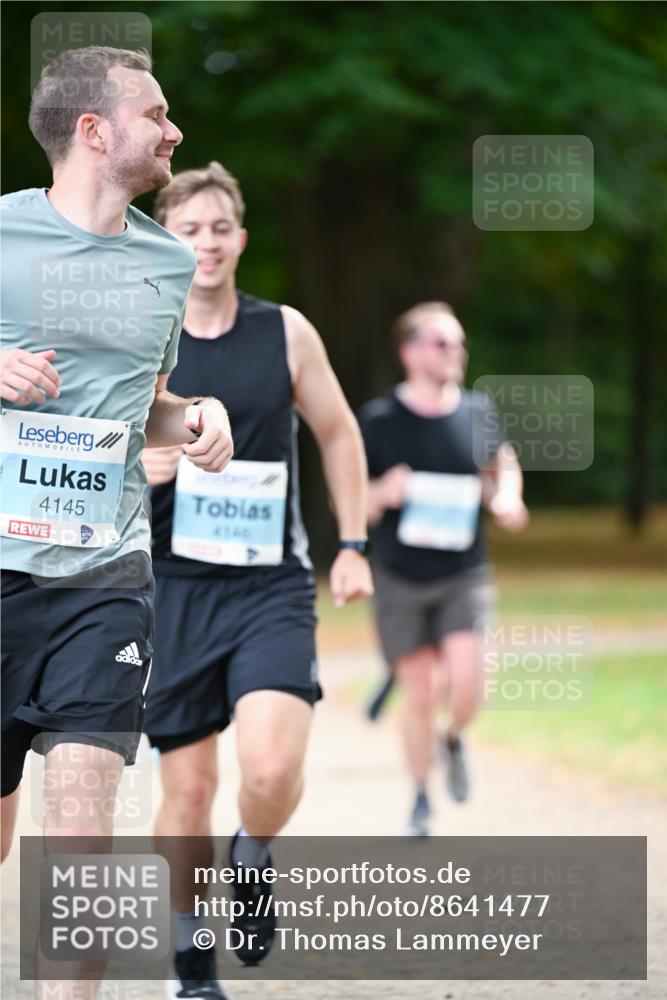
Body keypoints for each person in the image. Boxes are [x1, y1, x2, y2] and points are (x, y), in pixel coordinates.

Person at [0, 47, 233, 1000]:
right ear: (94, 131)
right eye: (156, 114)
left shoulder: (166, 261)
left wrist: (196, 418)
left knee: (82, 834)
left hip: (105, 578)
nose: (175, 130)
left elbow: (146, 408)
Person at [140, 162, 373, 998]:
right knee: (188, 793)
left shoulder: (285, 333)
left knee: (269, 772)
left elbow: (339, 433)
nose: (205, 244)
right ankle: (192, 959)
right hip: (170, 589)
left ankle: (252, 852)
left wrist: (353, 542)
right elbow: (85, 445)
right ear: (164, 240)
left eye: (218, 229)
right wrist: (141, 467)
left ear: (239, 238)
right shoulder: (142, 336)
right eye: (188, 230)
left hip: (268, 585)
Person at [358, 301, 528, 837]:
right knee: (421, 693)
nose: (455, 351)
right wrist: (382, 492)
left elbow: (502, 463)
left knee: (468, 684)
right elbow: (351, 501)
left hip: (463, 573)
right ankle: (420, 797)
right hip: (399, 576)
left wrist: (508, 497)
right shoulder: (379, 420)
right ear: (409, 352)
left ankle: (453, 738)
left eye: (458, 343)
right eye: (441, 342)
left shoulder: (477, 412)